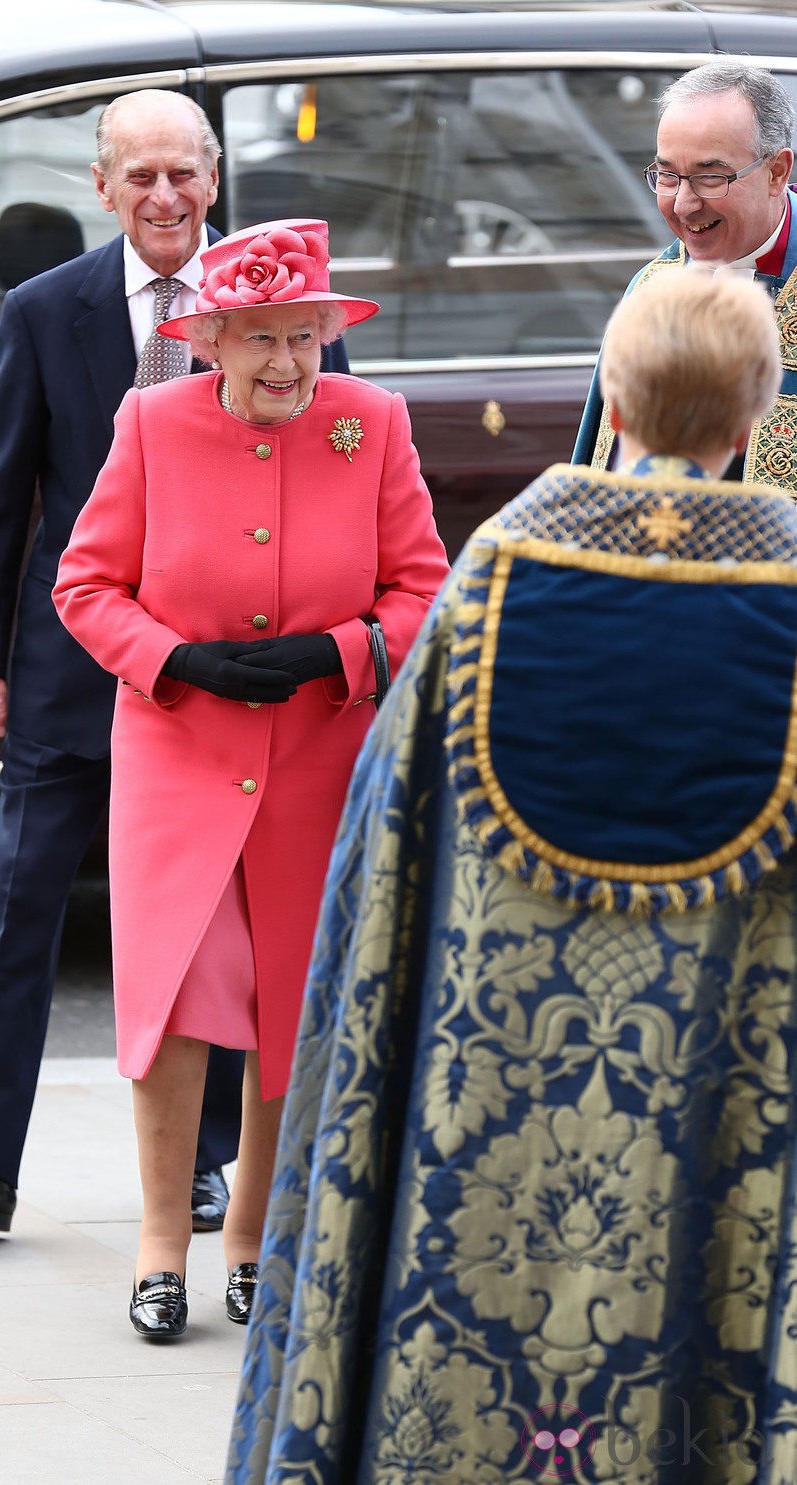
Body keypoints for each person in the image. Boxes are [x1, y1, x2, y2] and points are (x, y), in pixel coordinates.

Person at [225, 269, 797, 1483]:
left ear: (617, 403)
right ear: (752, 417)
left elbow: (380, 869)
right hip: (722, 1110)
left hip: (478, 1126)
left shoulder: (495, 573)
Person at [0, 92, 350, 1238]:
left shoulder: (284, 310)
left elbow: (322, 472)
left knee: (224, 923)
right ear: (100, 187)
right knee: (22, 907)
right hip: (72, 665)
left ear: (214, 182)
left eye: (183, 175)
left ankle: (208, 1171)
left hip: (232, 681)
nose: (163, 197)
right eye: (138, 176)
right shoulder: (44, 311)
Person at [51, 217, 450, 1340]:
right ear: (210, 341)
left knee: (288, 995)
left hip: (319, 755)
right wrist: (169, 660)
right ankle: (159, 1245)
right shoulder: (149, 421)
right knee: (176, 997)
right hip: (178, 753)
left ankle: (255, 1239)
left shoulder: (371, 424)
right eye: (261, 340)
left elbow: (424, 588)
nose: (286, 364)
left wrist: (338, 652)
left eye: (305, 339)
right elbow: (85, 587)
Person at [574, 57, 796, 488]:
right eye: (667, 176)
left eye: (710, 178)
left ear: (776, 172)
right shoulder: (651, 288)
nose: (682, 205)